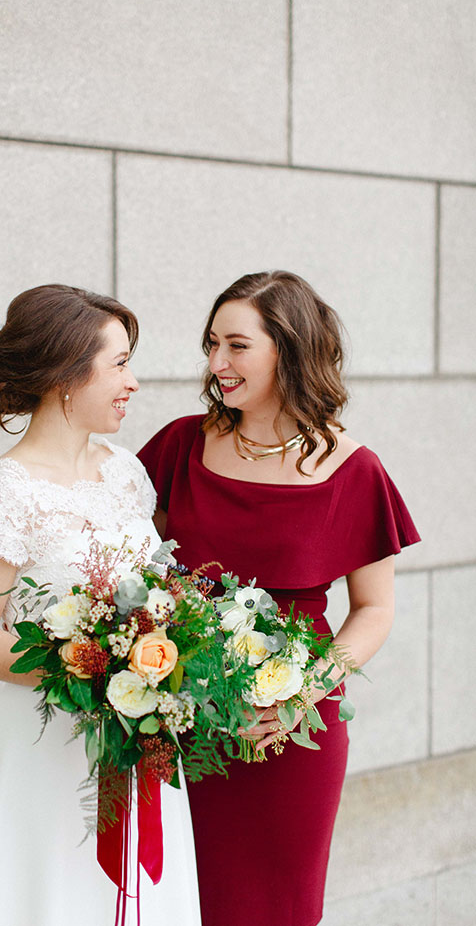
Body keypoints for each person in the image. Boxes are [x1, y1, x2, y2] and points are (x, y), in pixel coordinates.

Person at [0, 284, 201, 926]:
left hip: (141, 747)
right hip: (43, 754)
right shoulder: (7, 492)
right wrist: (90, 668)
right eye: (119, 363)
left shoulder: (126, 472)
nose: (134, 382)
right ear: (67, 374)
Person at [138, 270, 420, 926]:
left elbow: (374, 608)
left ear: (288, 351)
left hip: (286, 732)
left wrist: (302, 694)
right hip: (179, 720)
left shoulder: (354, 470)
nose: (216, 363)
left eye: (236, 345)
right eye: (212, 344)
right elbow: (134, 565)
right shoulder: (181, 446)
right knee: (178, 902)